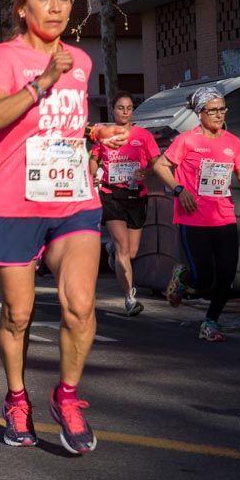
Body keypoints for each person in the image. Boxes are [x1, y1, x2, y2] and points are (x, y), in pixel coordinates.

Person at [0, 0, 129, 455]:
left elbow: (63, 127)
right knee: (18, 314)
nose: (57, 6)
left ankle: (67, 397)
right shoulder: (4, 57)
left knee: (80, 304)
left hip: (71, 199)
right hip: (14, 203)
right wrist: (41, 81)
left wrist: (94, 134)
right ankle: (17, 399)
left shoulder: (80, 61)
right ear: (23, 8)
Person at [151, 86, 240, 342]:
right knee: (204, 278)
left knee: (227, 275)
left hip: (224, 216)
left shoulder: (232, 142)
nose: (219, 115)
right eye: (213, 110)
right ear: (200, 113)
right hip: (193, 216)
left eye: (222, 109)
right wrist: (178, 190)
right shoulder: (187, 140)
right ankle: (183, 277)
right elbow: (160, 165)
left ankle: (210, 322)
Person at [89, 92, 160, 317]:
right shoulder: (105, 134)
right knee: (123, 248)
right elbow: (94, 159)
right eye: (121, 107)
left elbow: (156, 163)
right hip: (111, 194)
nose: (125, 111)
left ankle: (114, 250)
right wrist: (93, 174)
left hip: (136, 195)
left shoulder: (143, 136)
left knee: (132, 252)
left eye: (129, 108)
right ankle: (130, 297)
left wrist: (146, 172)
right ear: (113, 110)